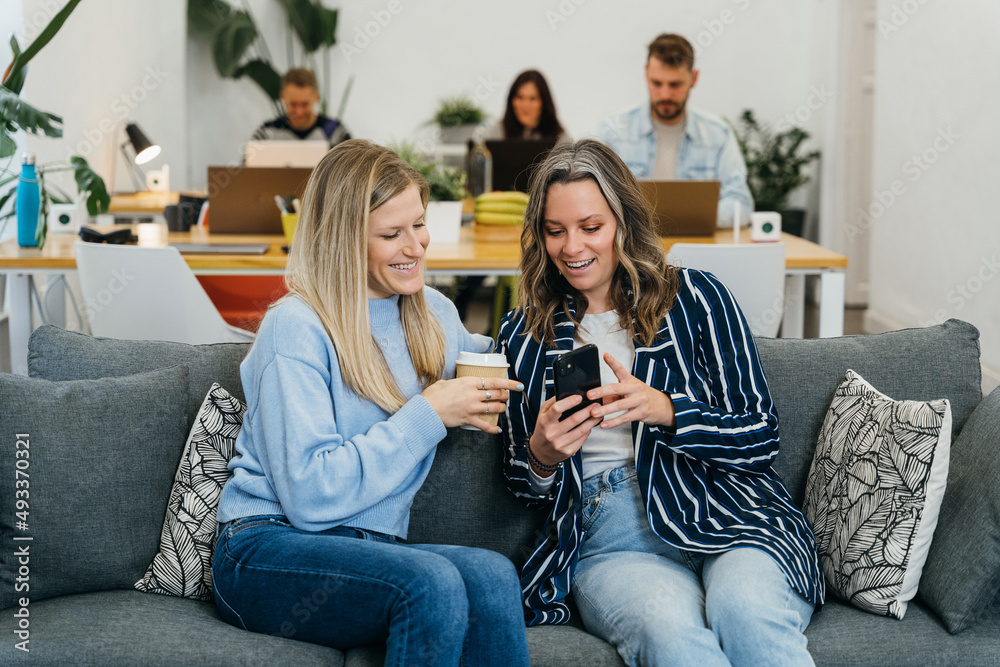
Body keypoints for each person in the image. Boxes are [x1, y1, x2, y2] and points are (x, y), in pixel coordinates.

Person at [496, 139, 823, 666]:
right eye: (555, 231)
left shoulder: (696, 298)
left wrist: (667, 411)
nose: (572, 247)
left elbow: (761, 435)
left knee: (745, 611)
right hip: (614, 536)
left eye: (591, 227)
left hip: (729, 512)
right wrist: (541, 454)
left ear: (623, 223)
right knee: (671, 634)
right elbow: (518, 484)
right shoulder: (523, 334)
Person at [212, 139, 530, 666]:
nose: (416, 246)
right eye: (391, 234)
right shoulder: (296, 327)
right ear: (343, 241)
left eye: (419, 224)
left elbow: (502, 364)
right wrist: (428, 414)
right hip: (265, 547)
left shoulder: (432, 314)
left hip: (367, 547)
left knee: (494, 577)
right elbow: (309, 496)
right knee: (429, 585)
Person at [595, 33, 753, 228]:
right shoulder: (613, 131)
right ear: (646, 74)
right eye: (657, 83)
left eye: (675, 85)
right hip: (630, 252)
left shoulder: (718, 135)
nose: (665, 94)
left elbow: (741, 206)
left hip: (698, 252)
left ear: (694, 78)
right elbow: (591, 199)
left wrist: (682, 218)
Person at [250, 67, 349, 147]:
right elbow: (247, 169)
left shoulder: (336, 133)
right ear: (282, 97)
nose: (299, 112)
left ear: (317, 97)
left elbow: (353, 170)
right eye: (293, 104)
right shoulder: (266, 134)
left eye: (305, 104)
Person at [485, 69, 567, 141]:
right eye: (520, 97)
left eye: (533, 98)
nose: (525, 105)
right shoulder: (495, 134)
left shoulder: (559, 137)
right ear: (511, 100)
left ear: (544, 102)